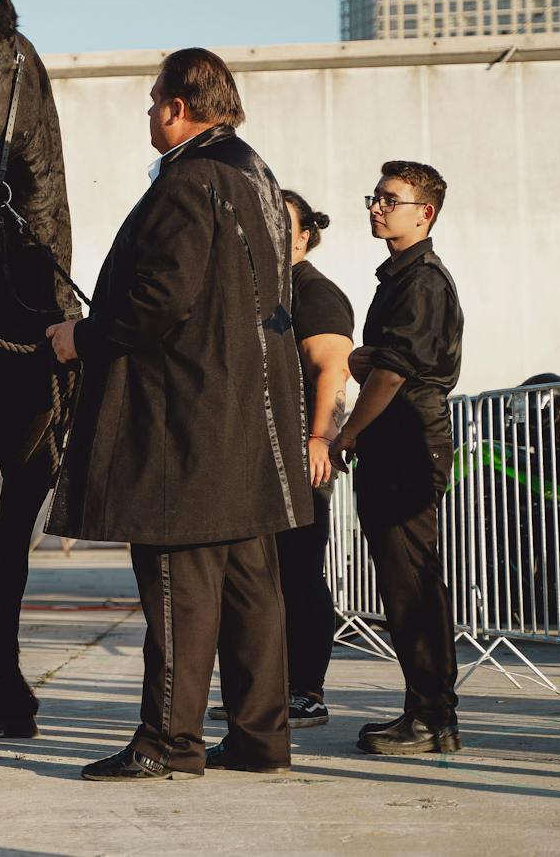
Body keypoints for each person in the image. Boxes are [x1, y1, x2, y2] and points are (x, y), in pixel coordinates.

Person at [44, 48, 311, 781]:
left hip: (186, 425)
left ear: (177, 107)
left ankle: (168, 739)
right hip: (247, 427)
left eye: (154, 99)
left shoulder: (188, 181)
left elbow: (163, 300)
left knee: (175, 585)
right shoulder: (254, 172)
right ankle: (261, 736)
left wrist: (81, 338)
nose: (149, 112)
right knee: (252, 588)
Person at [331, 160, 464, 755]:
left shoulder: (423, 280)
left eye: (389, 199)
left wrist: (346, 433)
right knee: (405, 581)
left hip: (409, 439)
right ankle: (427, 712)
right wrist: (368, 362)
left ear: (425, 212)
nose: (376, 208)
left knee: (412, 583)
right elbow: (383, 362)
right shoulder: (400, 276)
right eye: (374, 197)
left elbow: (391, 374)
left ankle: (433, 718)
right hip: (400, 438)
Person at [209, 191, 352, 729]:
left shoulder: (314, 293)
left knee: (297, 574)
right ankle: (264, 687)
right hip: (252, 460)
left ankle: (305, 691)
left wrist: (320, 439)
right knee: (252, 580)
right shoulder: (258, 292)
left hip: (298, 460)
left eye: (279, 224)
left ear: (304, 236)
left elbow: (332, 369)